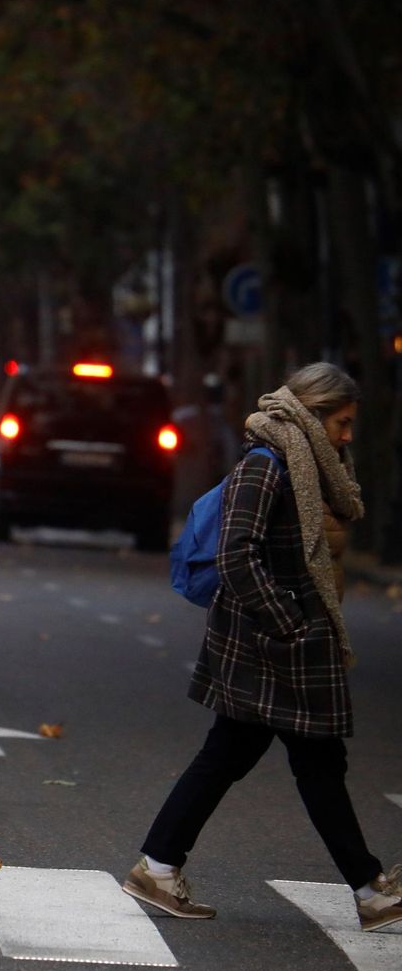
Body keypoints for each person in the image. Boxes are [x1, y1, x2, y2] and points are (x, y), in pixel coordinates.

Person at [123, 362, 400, 931]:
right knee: (311, 762)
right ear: (313, 413)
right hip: (273, 645)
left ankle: (158, 865)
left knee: (244, 755)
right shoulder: (267, 462)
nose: (348, 436)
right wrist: (291, 626)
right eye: (342, 423)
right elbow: (237, 555)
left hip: (279, 644)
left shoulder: (305, 463)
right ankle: (370, 891)